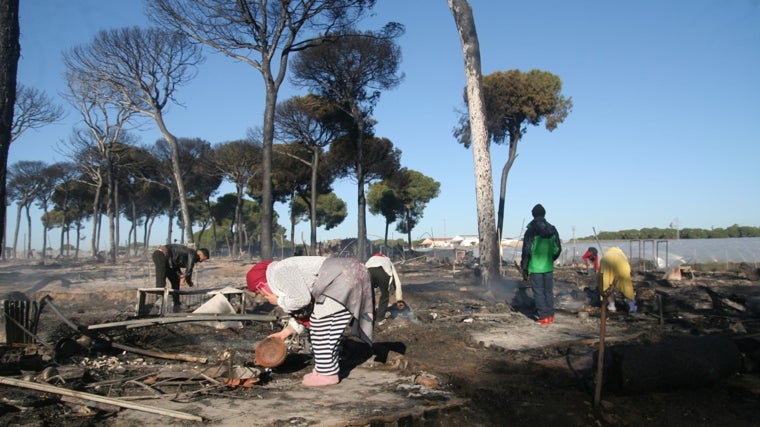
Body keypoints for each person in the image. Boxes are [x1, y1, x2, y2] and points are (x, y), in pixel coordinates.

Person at [246, 256, 374, 387]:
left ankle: (327, 374)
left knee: (322, 326)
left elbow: (302, 300)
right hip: (348, 273)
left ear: (262, 283)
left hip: (342, 277)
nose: (262, 295)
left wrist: (278, 301)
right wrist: (284, 334)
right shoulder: (281, 272)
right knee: (325, 324)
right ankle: (323, 370)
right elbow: (307, 311)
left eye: (259, 291)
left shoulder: (279, 272)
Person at [520, 204, 562, 325]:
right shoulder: (552, 229)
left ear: (533, 215)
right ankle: (550, 315)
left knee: (538, 292)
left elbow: (527, 250)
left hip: (535, 266)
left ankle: (543, 317)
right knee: (548, 291)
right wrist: (550, 258)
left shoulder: (530, 231)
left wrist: (524, 267)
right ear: (544, 214)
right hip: (548, 266)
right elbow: (557, 249)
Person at [152, 244, 210, 312]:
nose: (200, 261)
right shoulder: (192, 253)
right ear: (200, 253)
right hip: (160, 254)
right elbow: (189, 270)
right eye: (203, 259)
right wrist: (190, 283)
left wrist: (180, 274)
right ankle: (159, 301)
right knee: (161, 276)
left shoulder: (185, 254)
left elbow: (175, 263)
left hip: (169, 262)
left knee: (176, 280)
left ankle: (176, 305)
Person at [365, 253, 405, 324]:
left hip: (367, 272)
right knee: (384, 295)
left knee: (369, 295)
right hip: (382, 273)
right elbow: (397, 282)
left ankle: (368, 315)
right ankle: (380, 319)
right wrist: (399, 299)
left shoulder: (370, 260)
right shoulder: (387, 260)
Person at [598, 246, 637, 313]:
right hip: (621, 265)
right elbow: (627, 266)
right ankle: (632, 306)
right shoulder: (621, 254)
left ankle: (612, 306)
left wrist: (599, 279)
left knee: (607, 286)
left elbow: (600, 272)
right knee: (626, 286)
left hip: (606, 263)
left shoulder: (606, 255)